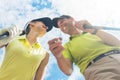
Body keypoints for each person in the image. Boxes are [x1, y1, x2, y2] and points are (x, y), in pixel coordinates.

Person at [48, 15, 120, 80]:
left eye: (62, 21)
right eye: (59, 26)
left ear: (72, 19)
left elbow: (117, 44)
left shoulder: (93, 32)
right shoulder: (66, 47)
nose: (60, 25)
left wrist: (93, 30)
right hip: (99, 69)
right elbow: (68, 71)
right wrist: (59, 56)